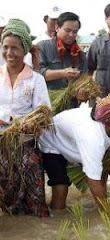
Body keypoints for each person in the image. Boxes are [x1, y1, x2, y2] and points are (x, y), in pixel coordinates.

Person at [39, 87, 110, 209]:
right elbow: (93, 182)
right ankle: (56, 218)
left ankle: (100, 200)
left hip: (74, 141)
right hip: (53, 140)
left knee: (102, 168)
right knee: (61, 186)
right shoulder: (93, 137)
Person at [0, 19, 51, 216]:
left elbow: (44, 113)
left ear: (25, 50)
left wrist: (29, 124)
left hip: (26, 145)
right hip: (1, 145)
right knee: (7, 204)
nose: (9, 53)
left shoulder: (36, 80)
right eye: (5, 47)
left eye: (15, 48)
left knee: (35, 202)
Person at [38, 12, 86, 91]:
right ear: (57, 28)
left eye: (75, 32)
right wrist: (62, 73)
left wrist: (82, 93)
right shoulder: (42, 47)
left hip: (71, 102)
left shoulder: (80, 54)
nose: (71, 35)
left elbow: (83, 79)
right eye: (67, 30)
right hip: (46, 101)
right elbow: (37, 74)